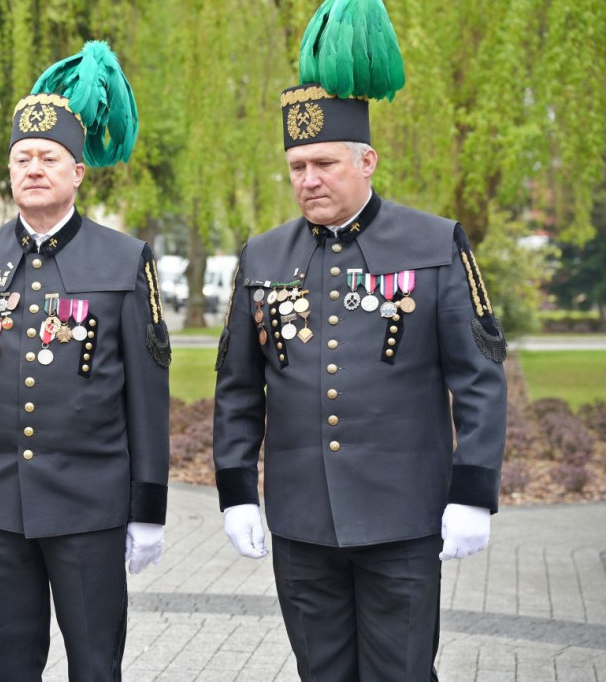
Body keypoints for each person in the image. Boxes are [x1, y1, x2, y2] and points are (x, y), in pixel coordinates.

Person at [212, 2, 508, 680]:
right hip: (301, 519)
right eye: (296, 167)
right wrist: (235, 490)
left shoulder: (433, 244)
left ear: (366, 160)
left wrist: (472, 490)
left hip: (403, 518)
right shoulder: (262, 256)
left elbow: (480, 380)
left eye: (323, 163)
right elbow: (237, 388)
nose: (308, 180)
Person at [0, 41, 170, 681]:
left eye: (49, 158)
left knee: (96, 667)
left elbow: (147, 399)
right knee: (9, 668)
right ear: (9, 173)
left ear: (78, 173)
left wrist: (147, 510)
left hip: (90, 507)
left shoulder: (125, 260)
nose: (33, 168)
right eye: (22, 158)